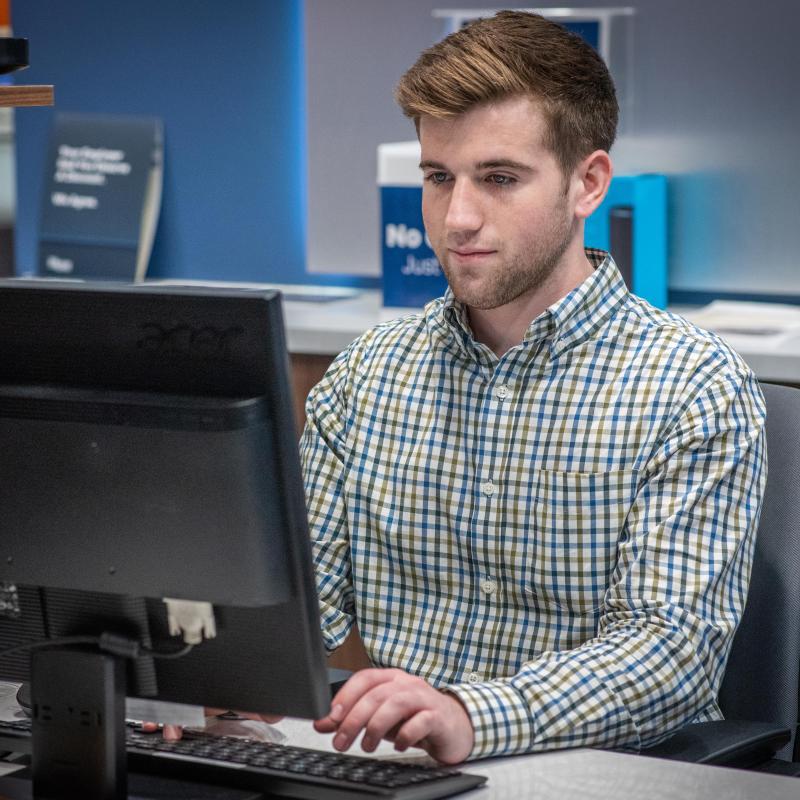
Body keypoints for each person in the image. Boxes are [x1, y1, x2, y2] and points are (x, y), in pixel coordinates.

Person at [300, 10, 767, 766]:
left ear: (588, 183)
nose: (457, 217)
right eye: (438, 177)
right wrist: (213, 673)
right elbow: (289, 602)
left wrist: (469, 715)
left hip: (604, 771)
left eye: (499, 179)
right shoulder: (368, 373)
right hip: (392, 769)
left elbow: (669, 656)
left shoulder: (692, 385)